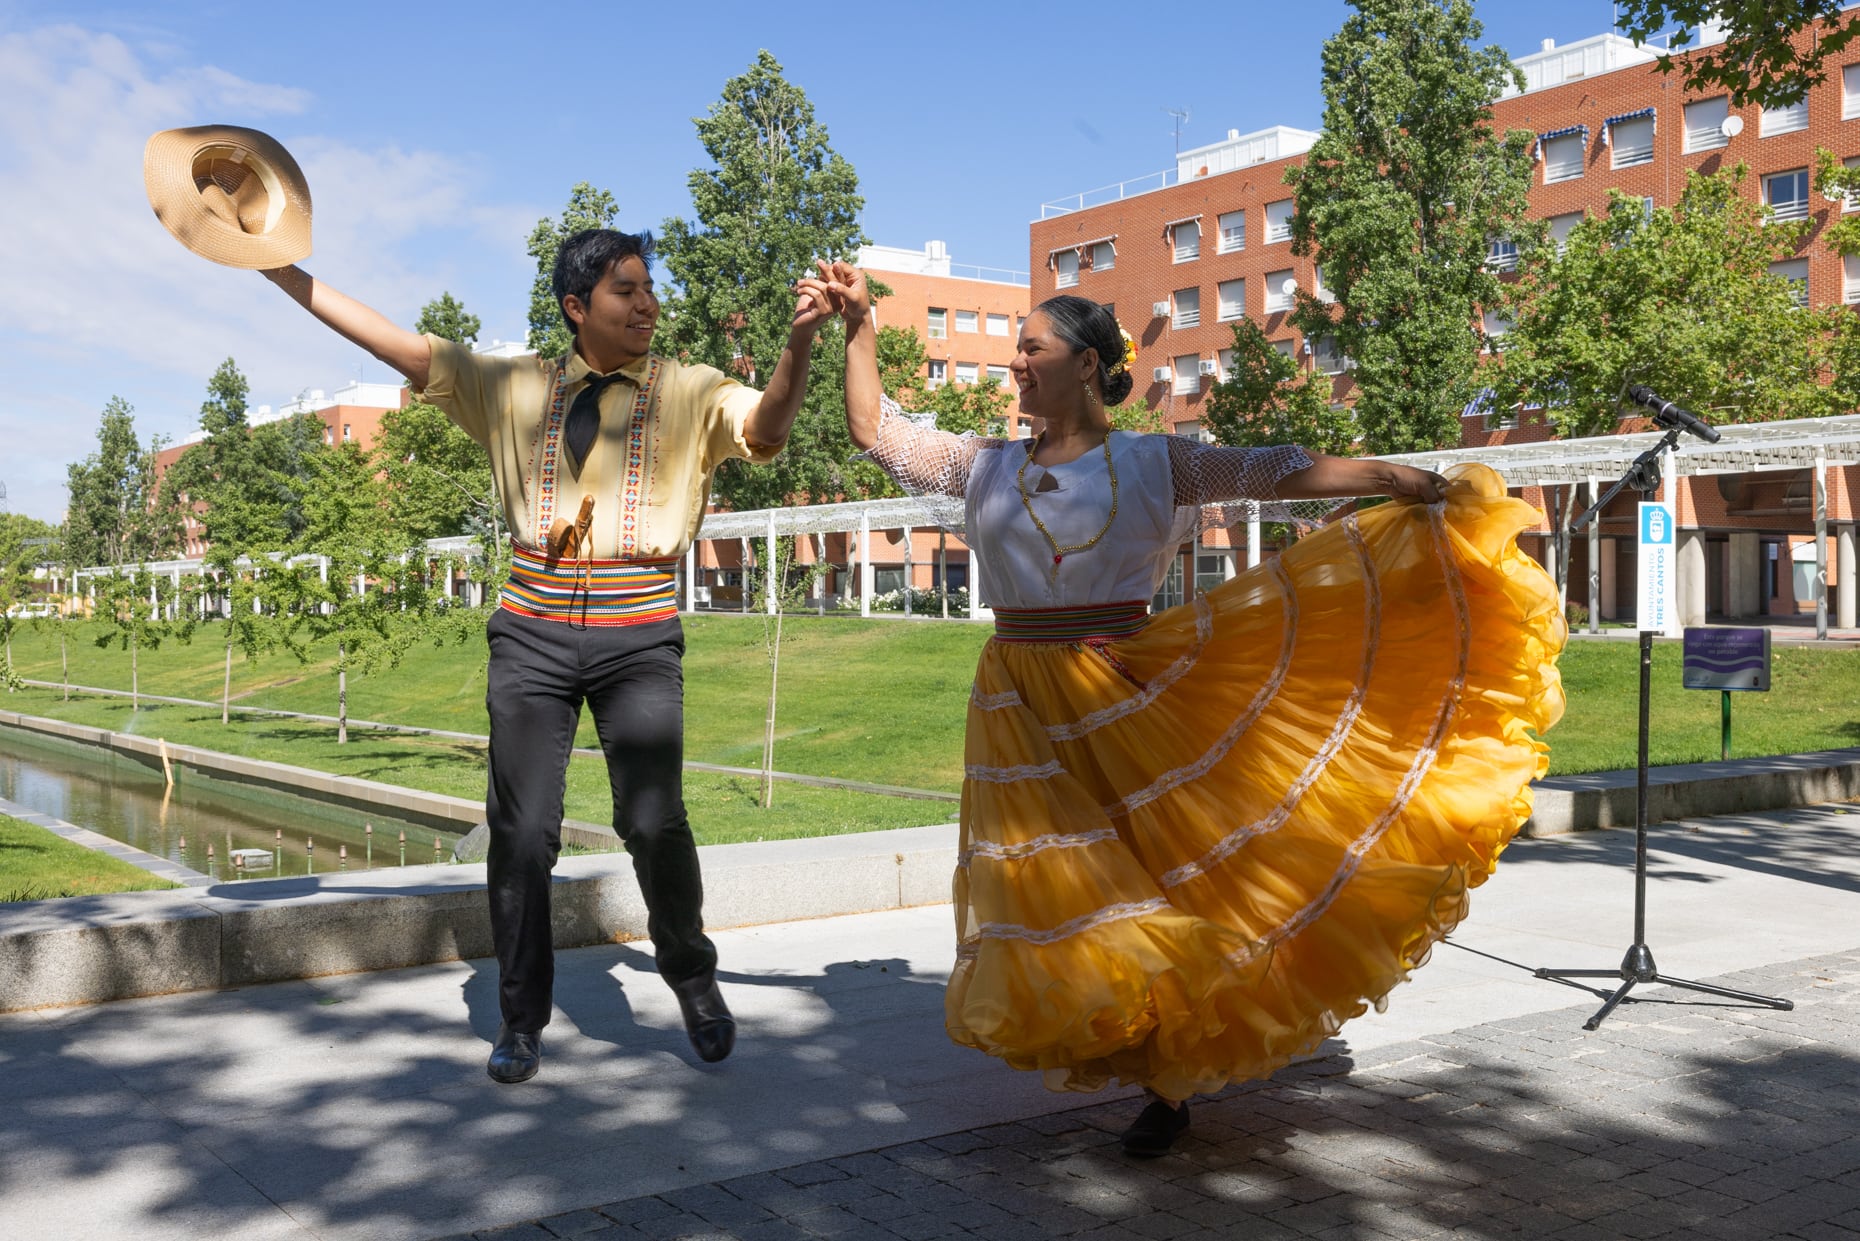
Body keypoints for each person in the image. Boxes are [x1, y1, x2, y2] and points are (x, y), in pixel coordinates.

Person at [809, 261, 1565, 1155]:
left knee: (1165, 872)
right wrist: (856, 325)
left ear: (1086, 364)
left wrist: (1390, 478)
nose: (1014, 362)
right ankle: (1133, 1051)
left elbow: (1270, 470)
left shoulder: (1155, 460)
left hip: (1128, 689)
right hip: (1017, 703)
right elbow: (875, 429)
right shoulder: (983, 466)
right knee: (1058, 888)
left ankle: (1170, 1078)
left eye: (1030, 346)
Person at [262, 230, 834, 1082]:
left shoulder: (690, 390)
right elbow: (395, 341)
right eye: (625, 292)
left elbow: (768, 425)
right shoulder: (514, 385)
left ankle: (692, 973)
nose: (647, 305)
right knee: (522, 831)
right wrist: (278, 268)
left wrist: (800, 340)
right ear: (577, 306)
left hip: (640, 633)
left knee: (651, 820)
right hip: (530, 629)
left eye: (649, 289)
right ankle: (521, 1019)